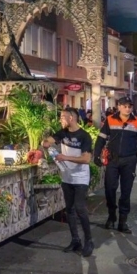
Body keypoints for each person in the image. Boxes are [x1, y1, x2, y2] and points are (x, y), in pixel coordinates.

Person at [93, 96, 137, 233]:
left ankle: (123, 221)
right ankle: (112, 215)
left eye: (129, 106)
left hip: (129, 160)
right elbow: (101, 139)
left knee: (126, 191)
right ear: (118, 106)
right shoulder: (110, 120)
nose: (127, 108)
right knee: (109, 189)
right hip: (112, 160)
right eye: (124, 106)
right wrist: (96, 155)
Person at [42, 108, 94, 257]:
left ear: (71, 118)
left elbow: (86, 159)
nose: (60, 120)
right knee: (69, 209)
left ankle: (89, 241)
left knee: (80, 208)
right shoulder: (62, 133)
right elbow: (48, 142)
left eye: (62, 117)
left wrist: (65, 157)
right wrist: (46, 143)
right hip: (67, 177)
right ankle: (75, 240)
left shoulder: (84, 136)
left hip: (81, 178)